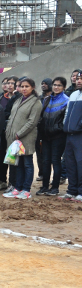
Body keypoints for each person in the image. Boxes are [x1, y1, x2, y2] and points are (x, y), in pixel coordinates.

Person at [2, 78, 42, 200]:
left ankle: (26, 190)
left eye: (26, 86)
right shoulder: (18, 100)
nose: (23, 89)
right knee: (18, 164)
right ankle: (17, 188)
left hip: (26, 138)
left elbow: (32, 122)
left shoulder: (36, 102)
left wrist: (19, 134)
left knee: (27, 164)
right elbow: (11, 117)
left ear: (33, 87)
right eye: (21, 86)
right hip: (14, 138)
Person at [36, 77, 68, 196]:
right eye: (55, 85)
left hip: (58, 136)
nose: (56, 87)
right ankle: (44, 186)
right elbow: (41, 117)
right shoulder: (46, 99)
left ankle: (54, 188)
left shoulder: (66, 100)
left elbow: (65, 121)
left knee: (56, 161)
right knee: (45, 161)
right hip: (45, 136)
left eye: (59, 85)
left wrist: (56, 129)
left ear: (64, 87)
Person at [61, 72, 82, 201]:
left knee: (81, 163)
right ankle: (72, 190)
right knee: (70, 163)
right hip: (69, 134)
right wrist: (65, 125)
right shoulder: (73, 94)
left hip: (80, 135)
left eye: (81, 79)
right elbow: (67, 112)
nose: (79, 81)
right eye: (78, 78)